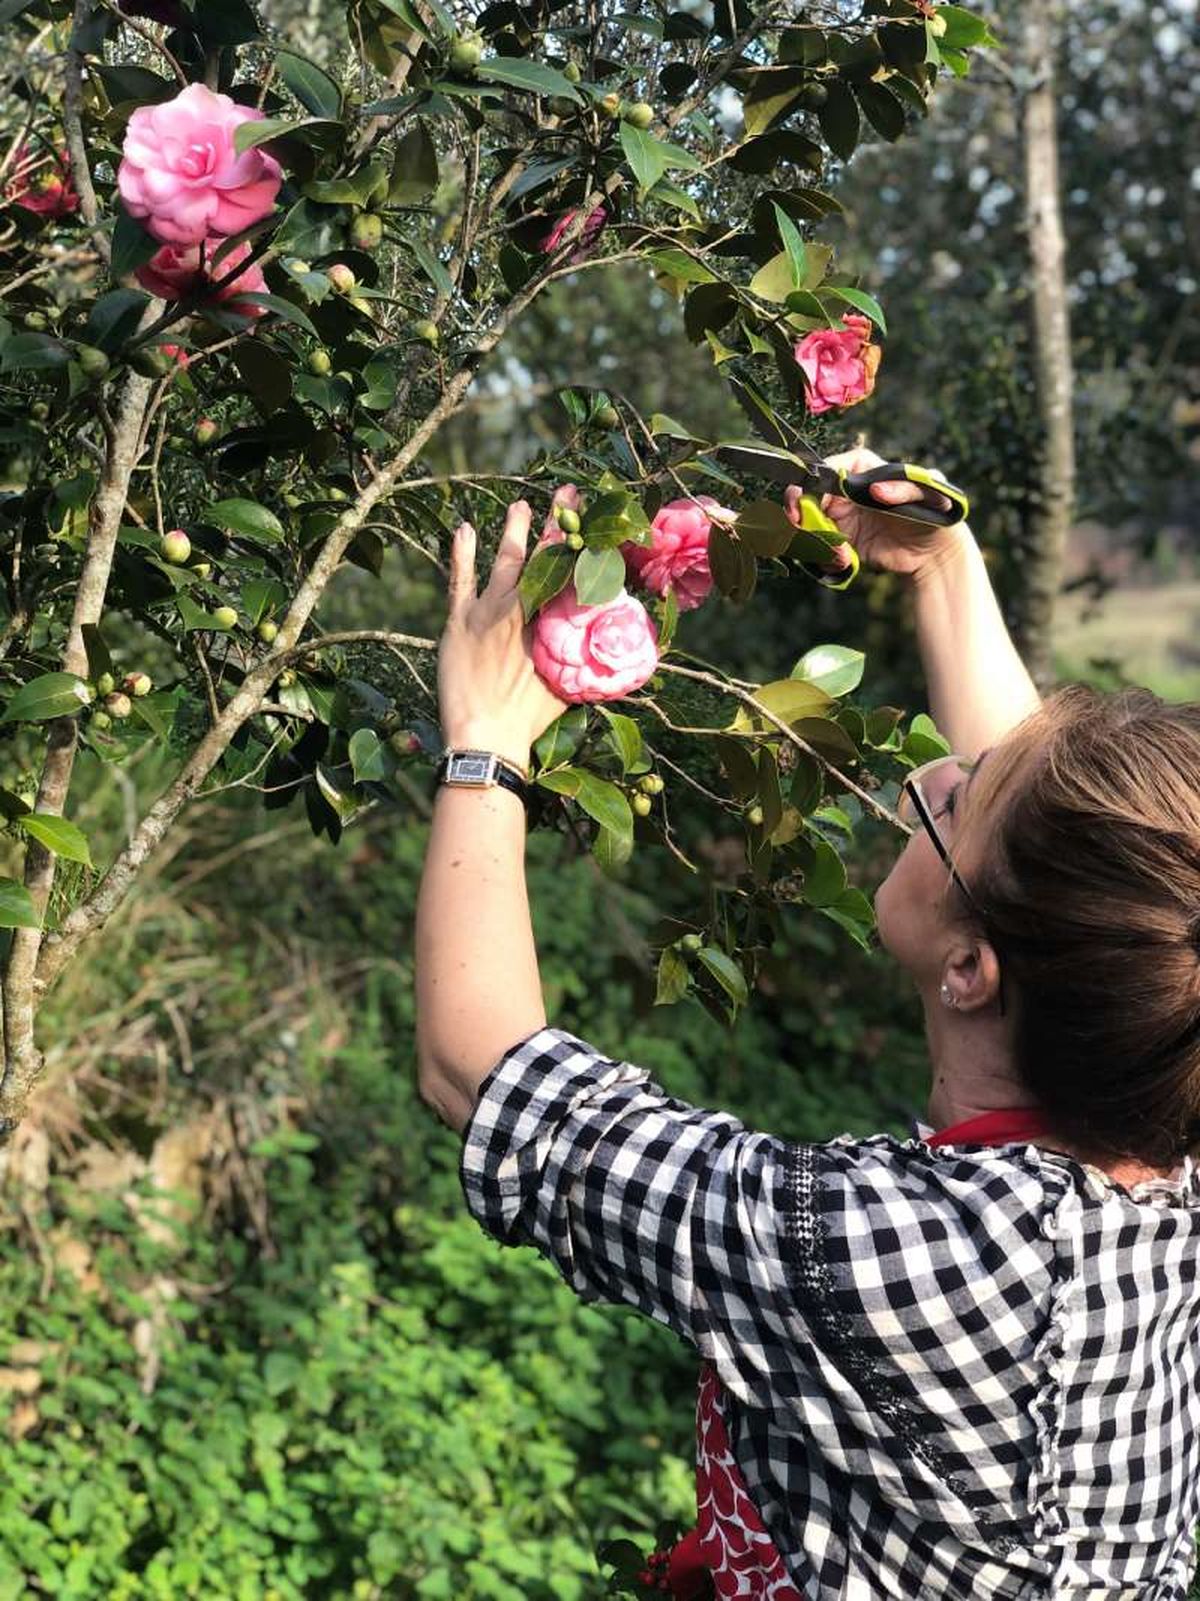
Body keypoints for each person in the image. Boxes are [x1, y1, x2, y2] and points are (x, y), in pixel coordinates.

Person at [414, 452, 1200, 1599]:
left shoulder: (901, 1255)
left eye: (958, 800)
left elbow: (483, 1075)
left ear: (974, 968)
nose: (931, 772)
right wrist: (941, 566)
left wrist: (486, 743)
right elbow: (1072, 873)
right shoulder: (1166, 1137)